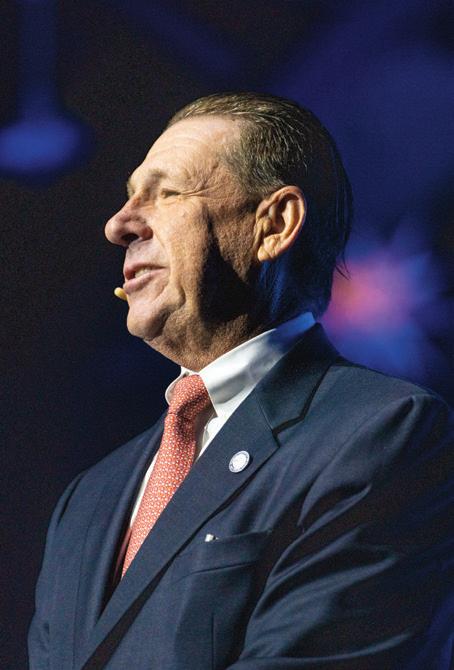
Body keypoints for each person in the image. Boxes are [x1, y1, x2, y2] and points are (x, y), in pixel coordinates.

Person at [29, 93, 453, 669]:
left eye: (167, 193)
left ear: (274, 224)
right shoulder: (87, 499)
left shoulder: (383, 434)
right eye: (129, 196)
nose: (118, 225)